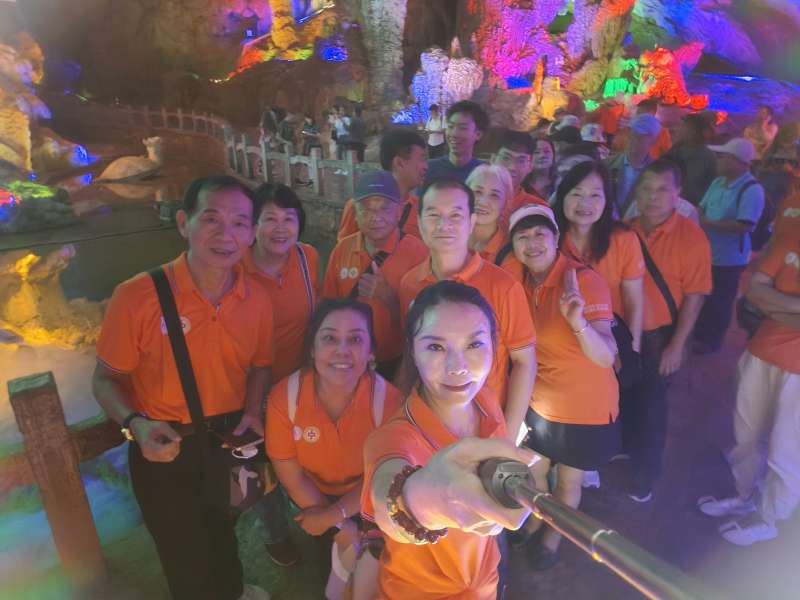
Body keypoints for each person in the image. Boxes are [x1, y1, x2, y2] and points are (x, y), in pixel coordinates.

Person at [92, 176, 272, 600]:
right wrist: (135, 424)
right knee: (183, 554)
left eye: (239, 223)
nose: (226, 234)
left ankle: (232, 591)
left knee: (225, 531)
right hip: (163, 446)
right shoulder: (137, 296)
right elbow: (105, 379)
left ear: (252, 233)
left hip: (227, 442)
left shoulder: (257, 299)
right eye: (211, 219)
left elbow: (261, 365)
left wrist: (252, 410)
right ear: (182, 223)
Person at [362, 281, 535, 599]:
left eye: (474, 344)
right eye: (436, 347)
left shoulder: (485, 400)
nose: (458, 367)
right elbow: (386, 495)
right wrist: (424, 500)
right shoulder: (394, 436)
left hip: (485, 578)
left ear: (494, 346)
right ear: (412, 351)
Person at [507, 204, 620, 568]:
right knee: (535, 472)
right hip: (540, 404)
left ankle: (552, 538)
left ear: (556, 238)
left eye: (540, 234)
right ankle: (534, 521)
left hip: (584, 408)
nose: (532, 243)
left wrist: (578, 322)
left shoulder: (582, 281)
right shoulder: (522, 284)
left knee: (567, 483)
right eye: (522, 237)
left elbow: (606, 355)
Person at [266, 299, 402, 597]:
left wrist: (334, 517)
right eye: (329, 338)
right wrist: (337, 524)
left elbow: (380, 476)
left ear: (370, 352)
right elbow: (293, 477)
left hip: (369, 500)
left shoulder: (388, 402)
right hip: (312, 499)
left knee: (372, 575)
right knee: (328, 565)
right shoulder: (285, 398)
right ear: (312, 350)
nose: (342, 350)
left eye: (355, 339)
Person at [398, 178, 537, 443]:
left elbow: (524, 362)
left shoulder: (503, 286)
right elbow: (410, 356)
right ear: (419, 222)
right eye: (434, 215)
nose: (444, 225)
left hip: (486, 426)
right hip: (426, 425)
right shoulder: (409, 283)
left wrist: (506, 435)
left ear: (471, 222)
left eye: (456, 215)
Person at [697, 235, 800, 546]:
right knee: (745, 434)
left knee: (786, 451)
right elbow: (753, 291)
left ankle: (769, 518)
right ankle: (743, 496)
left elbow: (764, 295)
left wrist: (775, 306)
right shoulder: (792, 236)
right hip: (762, 350)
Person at [624, 158, 712, 502]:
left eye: (662, 189)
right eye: (646, 188)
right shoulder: (625, 231)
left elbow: (696, 296)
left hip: (659, 337)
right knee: (624, 398)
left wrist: (676, 345)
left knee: (652, 409)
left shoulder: (692, 238)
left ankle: (644, 477)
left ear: (678, 194)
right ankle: (625, 451)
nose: (653, 197)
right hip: (623, 333)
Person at [324, 171, 429, 379]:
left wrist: (388, 297)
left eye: (385, 208)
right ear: (354, 214)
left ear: (399, 211)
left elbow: (425, 323)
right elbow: (328, 308)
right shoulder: (342, 250)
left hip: (396, 360)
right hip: (348, 359)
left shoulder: (418, 253)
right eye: (366, 209)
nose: (375, 217)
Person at [554, 161, 645, 359]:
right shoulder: (549, 241)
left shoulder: (624, 240)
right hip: (561, 345)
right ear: (563, 196)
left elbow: (633, 301)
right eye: (577, 194)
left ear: (607, 201)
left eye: (595, 195)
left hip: (610, 342)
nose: (585, 203)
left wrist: (632, 352)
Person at [694, 138, 765, 354]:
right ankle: (699, 334)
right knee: (702, 295)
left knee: (721, 300)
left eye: (722, 157)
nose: (717, 160)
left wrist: (709, 224)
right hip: (706, 252)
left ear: (738, 161)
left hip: (729, 258)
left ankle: (711, 340)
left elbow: (745, 225)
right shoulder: (718, 182)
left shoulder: (752, 190)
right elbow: (701, 207)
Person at [337, 129, 428, 241]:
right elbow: (346, 249)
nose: (426, 166)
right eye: (422, 159)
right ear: (399, 163)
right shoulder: (358, 206)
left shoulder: (421, 209)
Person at [607, 114, 663, 218]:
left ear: (653, 142)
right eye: (632, 135)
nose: (633, 141)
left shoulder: (658, 173)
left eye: (641, 138)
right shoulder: (607, 164)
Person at [423, 100, 487, 185]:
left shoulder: (485, 173)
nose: (454, 134)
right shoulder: (429, 169)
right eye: (450, 126)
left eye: (462, 128)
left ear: (478, 134)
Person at [664, 112, 717, 206]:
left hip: (692, 207)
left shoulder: (708, 157)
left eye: (686, 127)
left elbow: (711, 190)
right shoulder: (674, 151)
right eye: (682, 126)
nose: (681, 129)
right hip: (669, 203)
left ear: (696, 131)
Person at [465, 164, 514, 263]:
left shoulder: (509, 253)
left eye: (494, 195)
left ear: (506, 203)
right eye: (478, 192)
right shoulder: (446, 235)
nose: (483, 202)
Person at [491, 129, 547, 214]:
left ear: (530, 166)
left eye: (521, 161)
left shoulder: (537, 209)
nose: (512, 167)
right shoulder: (472, 197)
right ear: (493, 159)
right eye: (506, 158)